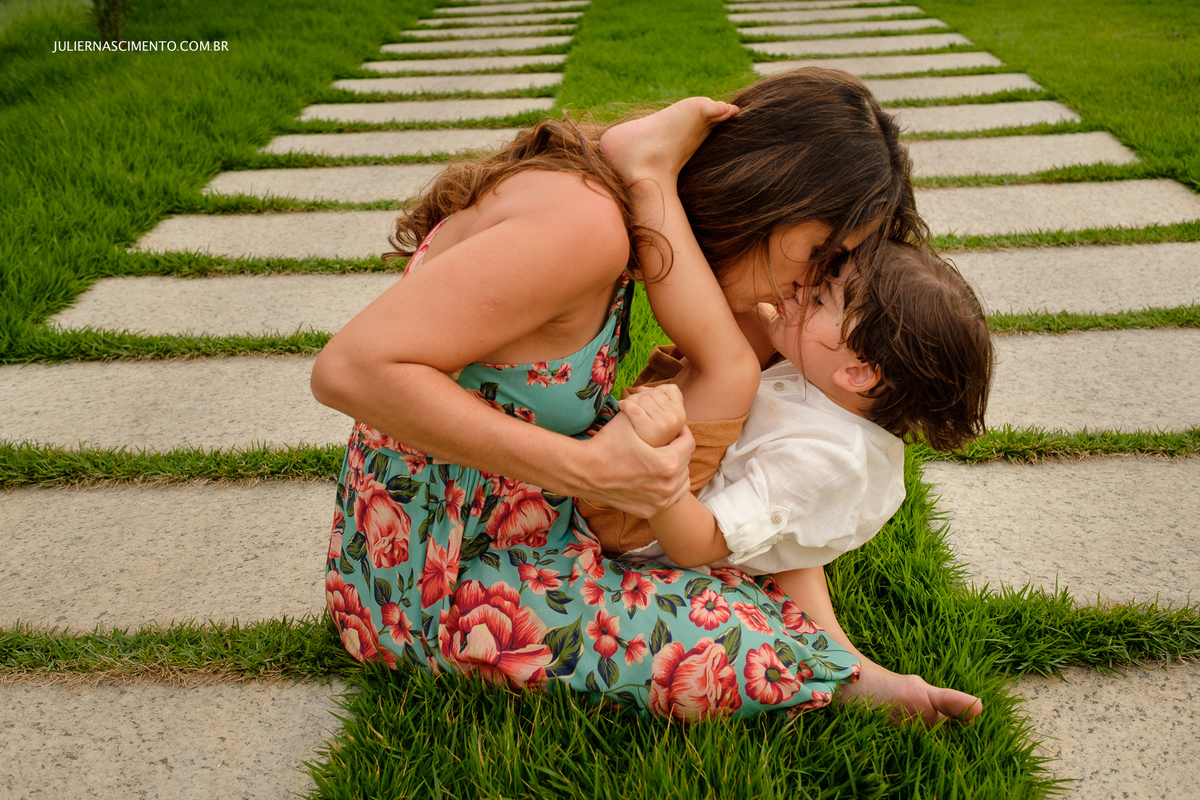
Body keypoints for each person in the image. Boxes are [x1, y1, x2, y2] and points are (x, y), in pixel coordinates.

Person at [311, 68, 940, 722]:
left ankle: (839, 662)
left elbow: (742, 421)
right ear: (767, 194)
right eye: (818, 252)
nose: (808, 284)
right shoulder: (585, 226)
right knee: (733, 647)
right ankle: (828, 676)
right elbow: (350, 369)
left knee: (751, 540)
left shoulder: (606, 211)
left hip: (525, 528)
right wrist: (588, 469)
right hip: (434, 580)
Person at [579, 98, 994, 725]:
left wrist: (663, 466)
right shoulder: (824, 383)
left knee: (733, 366)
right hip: (709, 503)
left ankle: (649, 177)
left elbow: (698, 544)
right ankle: (851, 666)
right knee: (785, 529)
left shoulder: (822, 456)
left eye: (822, 296)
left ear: (858, 371)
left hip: (635, 523)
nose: (799, 289)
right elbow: (795, 549)